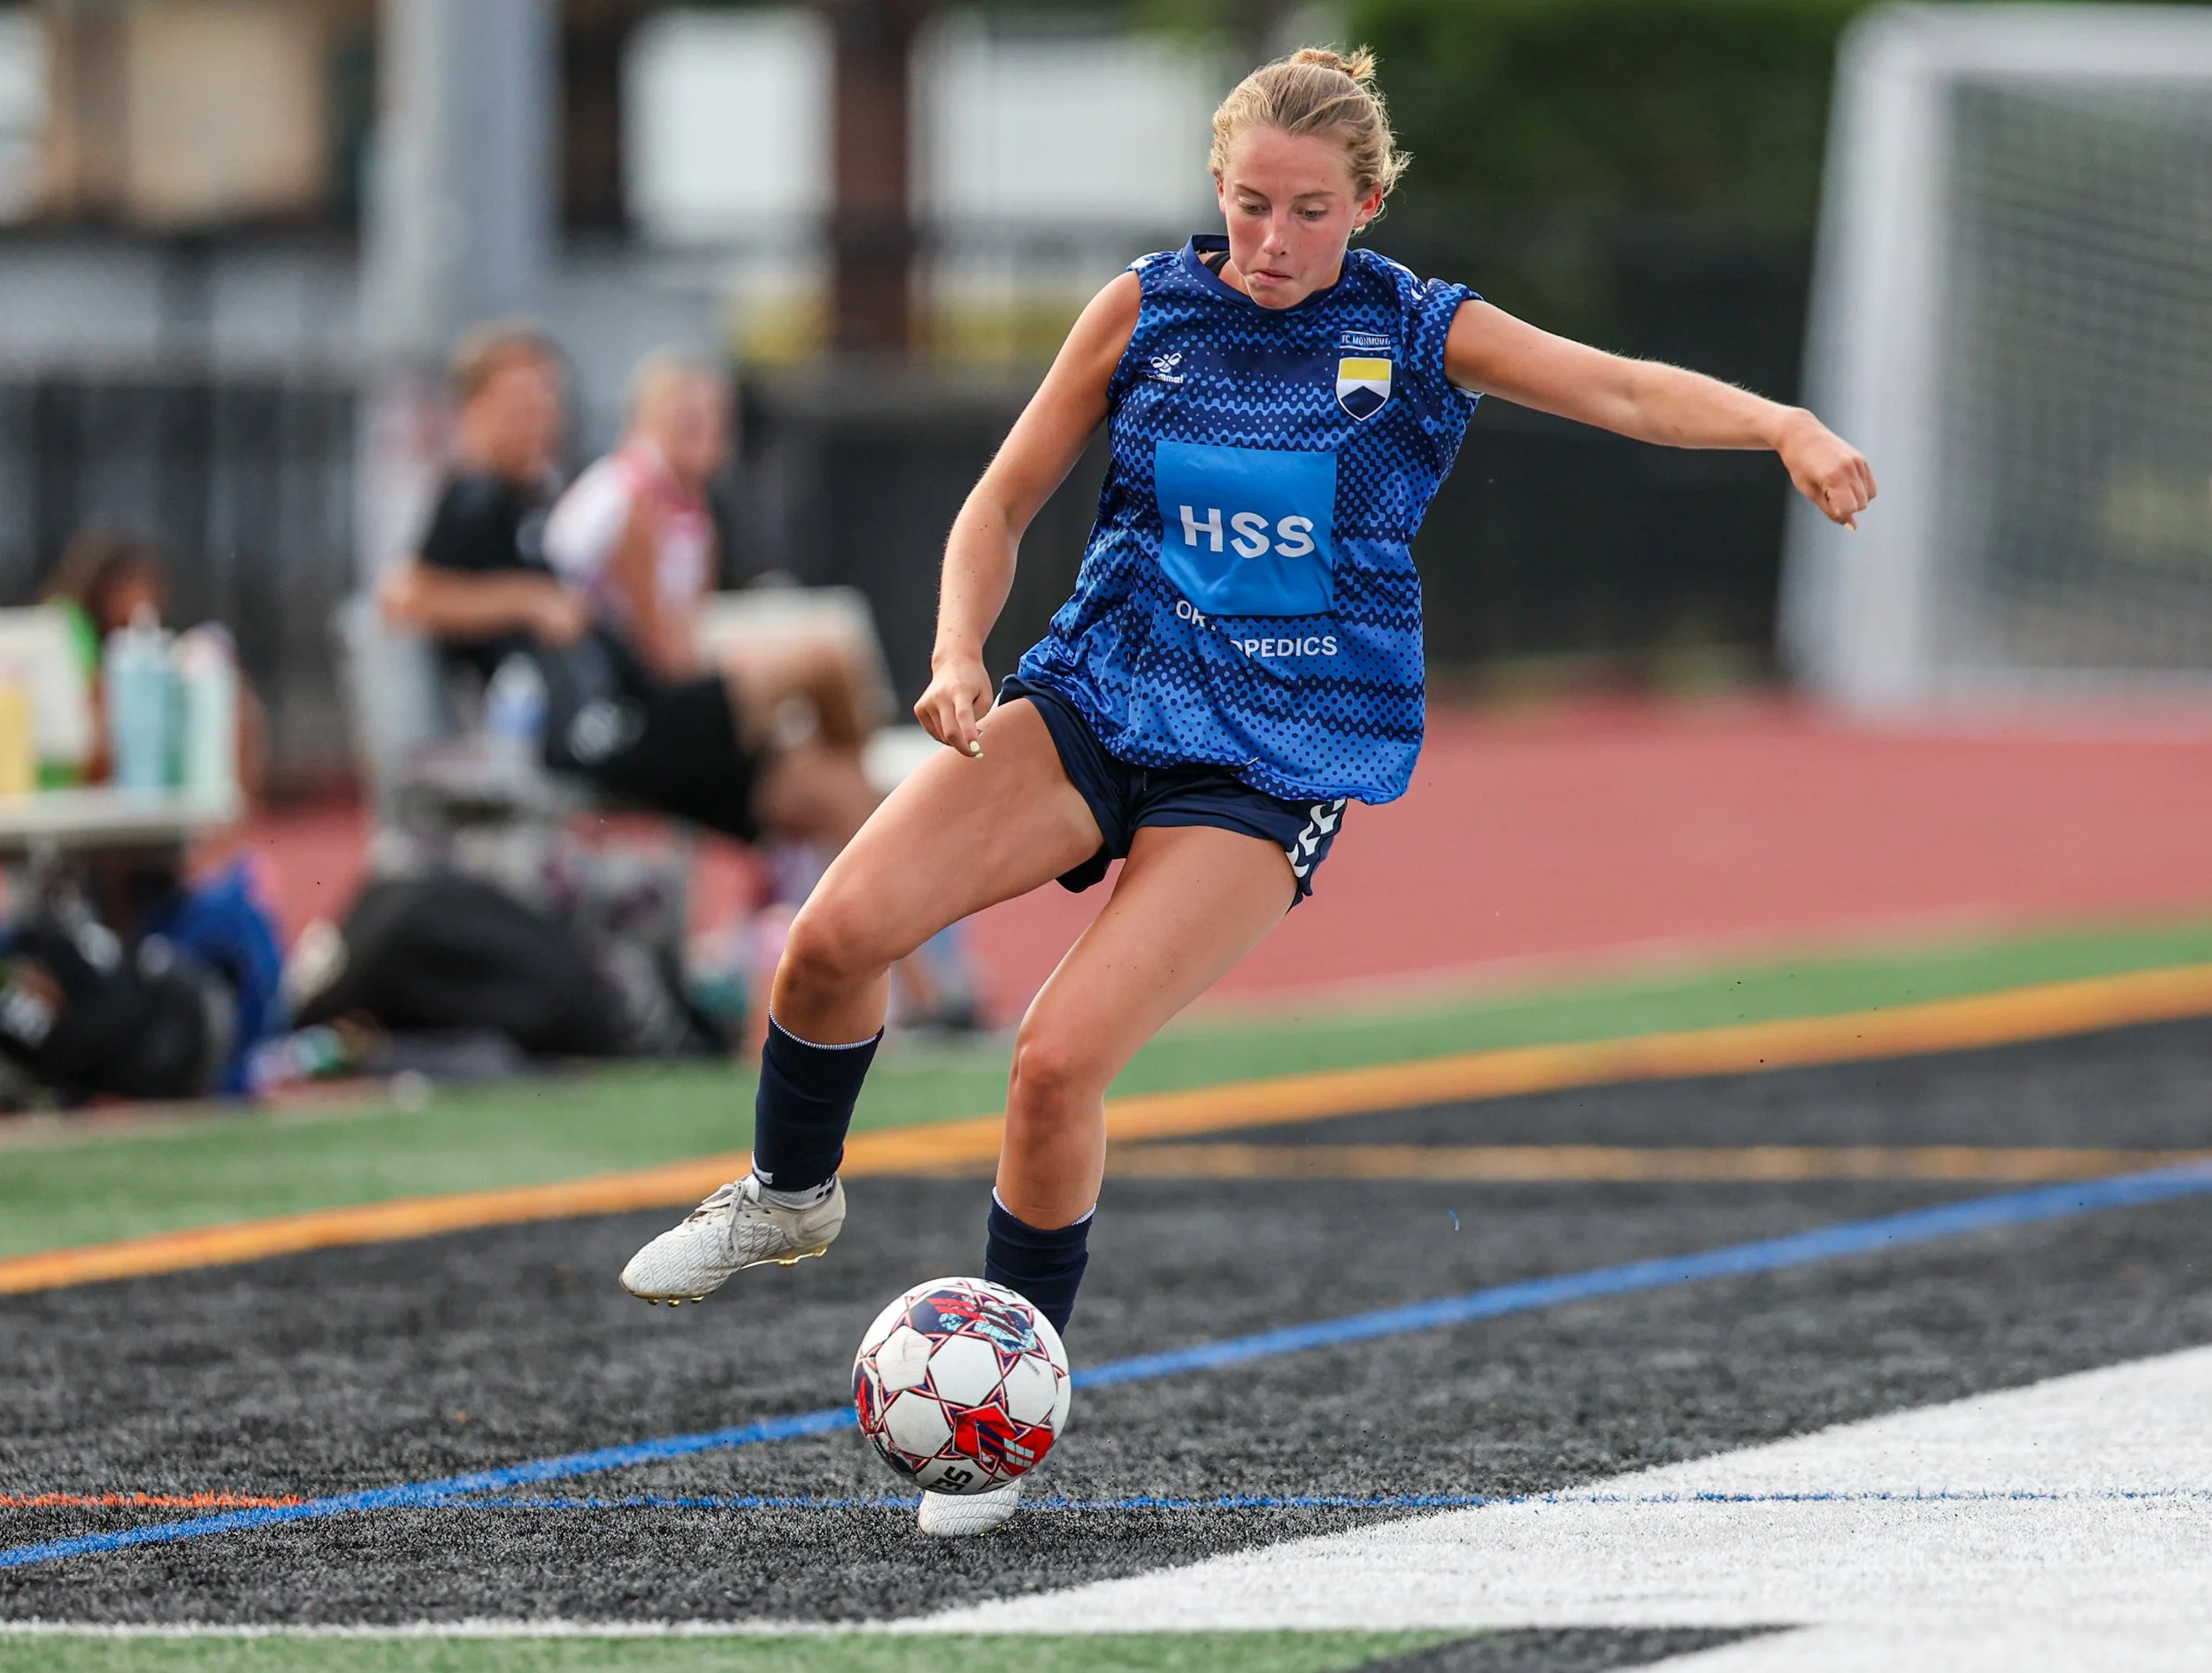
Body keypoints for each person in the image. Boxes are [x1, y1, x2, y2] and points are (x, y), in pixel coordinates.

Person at [617, 47, 1877, 1537]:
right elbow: (1004, 495)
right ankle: (787, 1192)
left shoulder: (1414, 328)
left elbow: (1618, 388)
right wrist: (959, 648)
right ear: (1217, 195)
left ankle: (1001, 1423)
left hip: (1274, 752)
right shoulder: (1150, 307)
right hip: (1098, 692)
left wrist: (1783, 426)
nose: (1272, 241)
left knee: (1052, 1064)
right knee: (832, 940)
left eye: (1308, 212)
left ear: (1370, 202)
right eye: (1248, 205)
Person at [379, 329, 879, 851]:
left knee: (836, 790)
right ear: (471, 412)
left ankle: (871, 918)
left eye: (547, 399)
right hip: (603, 732)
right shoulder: (477, 495)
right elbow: (404, 597)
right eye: (519, 403)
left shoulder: (538, 499)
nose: (539, 416)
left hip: (632, 717)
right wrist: (529, 599)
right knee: (826, 661)